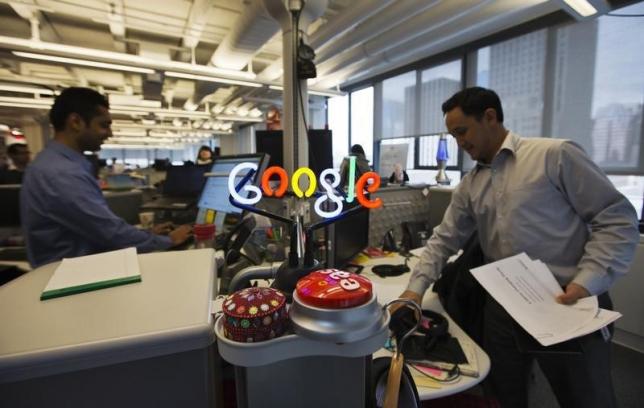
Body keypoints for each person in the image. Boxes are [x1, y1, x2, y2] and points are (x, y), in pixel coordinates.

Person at [396, 87, 638, 408]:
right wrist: (415, 290)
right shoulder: (472, 183)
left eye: (462, 132)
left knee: (585, 395)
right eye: (453, 136)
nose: (459, 143)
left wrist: (588, 280)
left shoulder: (553, 156)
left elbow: (616, 219)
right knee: (503, 392)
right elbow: (445, 239)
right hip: (505, 304)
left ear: (490, 117)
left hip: (567, 299)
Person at [20, 87, 192, 268]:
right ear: (76, 122)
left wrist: (149, 234)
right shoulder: (62, 173)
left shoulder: (51, 163)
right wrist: (168, 240)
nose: (109, 133)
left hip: (71, 269)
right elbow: (111, 234)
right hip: (69, 280)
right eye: (104, 125)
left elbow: (94, 229)